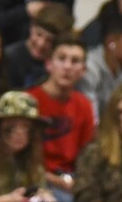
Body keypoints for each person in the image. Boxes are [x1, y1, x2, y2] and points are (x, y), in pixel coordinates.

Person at [28, 35, 98, 193]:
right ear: (48, 64)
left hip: (72, 178)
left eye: (75, 61)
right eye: (61, 59)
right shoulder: (29, 101)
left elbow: (86, 155)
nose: (67, 67)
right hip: (37, 178)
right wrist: (56, 181)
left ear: (83, 70)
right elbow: (22, 159)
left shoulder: (84, 105)